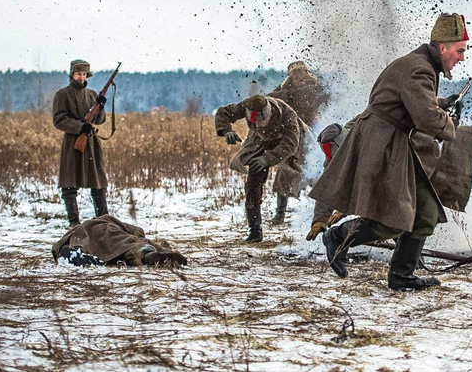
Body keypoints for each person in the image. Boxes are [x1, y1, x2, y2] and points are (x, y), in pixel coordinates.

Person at [309, 13, 469, 291]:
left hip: (391, 142)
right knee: (393, 218)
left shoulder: (418, 64)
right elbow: (427, 118)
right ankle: (338, 237)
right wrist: (450, 123)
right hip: (383, 144)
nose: (462, 57)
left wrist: (443, 103)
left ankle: (401, 276)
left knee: (425, 212)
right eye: (459, 51)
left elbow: (412, 98)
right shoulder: (420, 68)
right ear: (442, 47)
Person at [215, 94, 303, 242]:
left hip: (290, 143)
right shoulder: (247, 105)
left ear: (270, 114)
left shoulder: (288, 116)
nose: (258, 125)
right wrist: (226, 130)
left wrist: (268, 159)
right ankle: (255, 230)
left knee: (297, 173)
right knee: (252, 185)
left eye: (262, 121)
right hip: (261, 141)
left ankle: (309, 215)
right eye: (254, 122)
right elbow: (223, 112)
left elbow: (291, 144)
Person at [267, 61, 330, 223]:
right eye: (295, 77)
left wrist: (320, 113)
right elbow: (270, 101)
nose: (299, 80)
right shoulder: (285, 91)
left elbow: (330, 98)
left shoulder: (316, 88)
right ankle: (280, 214)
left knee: (317, 174)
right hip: (294, 137)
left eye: (301, 76)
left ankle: (321, 215)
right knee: (285, 173)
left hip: (313, 136)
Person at [52, 59, 109, 227]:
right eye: (78, 74)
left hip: (91, 143)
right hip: (73, 142)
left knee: (98, 182)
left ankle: (103, 221)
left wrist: (100, 107)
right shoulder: (62, 94)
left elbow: (100, 120)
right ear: (72, 75)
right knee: (69, 183)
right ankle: (74, 222)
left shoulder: (91, 94)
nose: (81, 77)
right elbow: (59, 119)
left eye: (84, 74)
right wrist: (79, 127)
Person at [52, 215, 186, 268]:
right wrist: (165, 250)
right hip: (105, 234)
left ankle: (76, 254)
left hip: (77, 240)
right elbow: (141, 238)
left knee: (77, 250)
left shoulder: (81, 228)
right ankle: (148, 255)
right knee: (131, 247)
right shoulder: (114, 225)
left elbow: (57, 246)